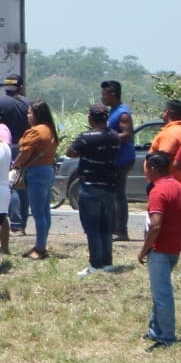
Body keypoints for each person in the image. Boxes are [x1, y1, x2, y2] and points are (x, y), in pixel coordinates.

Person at [140, 150, 181, 349]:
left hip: (159, 249)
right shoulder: (179, 187)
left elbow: (156, 225)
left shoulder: (158, 191)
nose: (145, 173)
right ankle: (155, 328)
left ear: (153, 168)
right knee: (158, 292)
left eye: (146, 168)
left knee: (162, 294)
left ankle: (166, 336)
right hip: (173, 248)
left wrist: (144, 250)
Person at [67, 105, 122, 275]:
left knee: (92, 228)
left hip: (91, 186)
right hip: (110, 186)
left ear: (91, 118)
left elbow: (70, 153)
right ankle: (107, 262)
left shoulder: (86, 137)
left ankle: (95, 264)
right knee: (106, 226)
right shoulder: (114, 136)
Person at [13, 101, 59, 261]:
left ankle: (39, 248)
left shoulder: (35, 132)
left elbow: (24, 153)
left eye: (30, 112)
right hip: (48, 170)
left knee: (38, 213)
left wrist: (15, 164)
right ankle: (42, 243)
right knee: (45, 211)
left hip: (36, 172)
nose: (28, 115)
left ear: (37, 114)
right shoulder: (50, 130)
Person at [103, 79, 137, 240]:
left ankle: (121, 231)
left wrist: (107, 136)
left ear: (113, 95)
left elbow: (127, 135)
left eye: (105, 94)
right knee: (113, 194)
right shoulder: (112, 111)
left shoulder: (123, 113)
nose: (102, 97)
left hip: (122, 159)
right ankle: (114, 228)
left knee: (118, 195)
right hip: (114, 159)